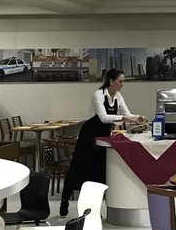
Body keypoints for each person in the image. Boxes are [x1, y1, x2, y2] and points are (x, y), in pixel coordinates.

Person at [60, 68, 143, 216]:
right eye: (120, 81)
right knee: (78, 168)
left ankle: (93, 209)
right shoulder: (98, 95)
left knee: (98, 171)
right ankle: (65, 199)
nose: (122, 84)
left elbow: (127, 114)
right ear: (111, 81)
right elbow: (104, 118)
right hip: (88, 135)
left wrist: (138, 118)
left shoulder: (118, 96)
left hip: (103, 137)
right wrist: (125, 118)